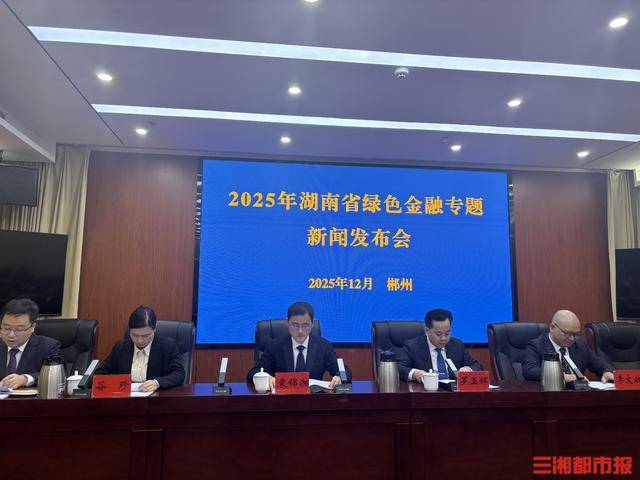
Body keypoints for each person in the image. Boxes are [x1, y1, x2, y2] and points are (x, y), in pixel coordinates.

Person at [247, 301, 350, 390]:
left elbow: (344, 371)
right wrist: (265, 377)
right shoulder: (275, 346)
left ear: (312, 324)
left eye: (305, 325)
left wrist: (339, 377)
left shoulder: (323, 346)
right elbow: (253, 372)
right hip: (282, 400)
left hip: (313, 400)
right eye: (295, 325)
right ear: (287, 323)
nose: (300, 331)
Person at [96, 305, 185, 392]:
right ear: (129, 330)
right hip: (125, 398)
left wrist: (157, 383)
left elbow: (179, 374)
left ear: (155, 328)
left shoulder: (168, 346)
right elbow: (100, 373)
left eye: (145, 336)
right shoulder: (120, 347)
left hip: (155, 399)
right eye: (134, 335)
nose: (139, 340)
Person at [523, 310, 614, 384]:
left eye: (575, 334)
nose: (572, 338)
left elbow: (602, 366)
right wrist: (562, 377)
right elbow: (530, 371)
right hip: (549, 396)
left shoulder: (580, 346)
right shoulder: (536, 346)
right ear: (552, 327)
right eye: (567, 333)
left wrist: (607, 372)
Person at [397, 308, 483, 382]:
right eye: (438, 334)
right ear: (426, 330)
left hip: (453, 393)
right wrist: (415, 373)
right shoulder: (413, 346)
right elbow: (398, 367)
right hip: (425, 392)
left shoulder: (457, 345)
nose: (443, 338)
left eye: (447, 333)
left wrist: (468, 369)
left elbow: (477, 366)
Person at [0, 298, 61, 389]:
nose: (11, 335)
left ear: (32, 327)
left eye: (19, 329)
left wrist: (26, 379)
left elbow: (56, 375)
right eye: (6, 328)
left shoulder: (48, 346)